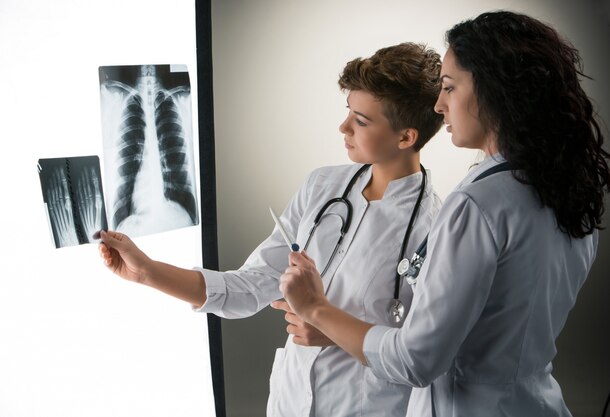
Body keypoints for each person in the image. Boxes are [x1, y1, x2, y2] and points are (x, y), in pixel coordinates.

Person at [279, 11, 610, 417]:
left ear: (495, 91)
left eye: (450, 88)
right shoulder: (569, 189)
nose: (439, 105)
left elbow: (415, 360)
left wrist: (316, 308)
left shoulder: (477, 205)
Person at [98, 43, 444, 416]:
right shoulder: (323, 187)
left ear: (406, 137)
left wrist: (335, 333)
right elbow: (248, 289)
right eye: (348, 112)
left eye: (361, 121)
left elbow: (424, 354)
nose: (342, 127)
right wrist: (147, 272)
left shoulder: (437, 226)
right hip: (289, 402)